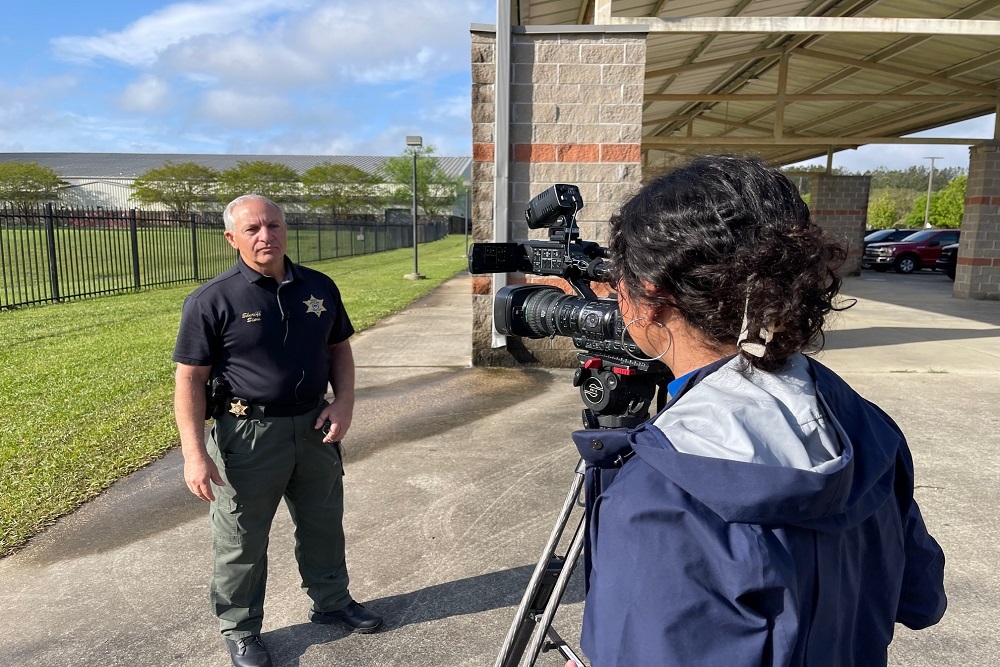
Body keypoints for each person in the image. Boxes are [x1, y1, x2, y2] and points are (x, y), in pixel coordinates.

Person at [567, 155, 946, 667]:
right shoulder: (868, 429)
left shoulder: (658, 499)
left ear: (651, 299)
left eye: (621, 282)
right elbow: (920, 600)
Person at [173, 194, 382, 667]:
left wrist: (344, 402)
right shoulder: (211, 300)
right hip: (248, 435)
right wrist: (194, 454)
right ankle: (241, 629)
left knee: (323, 523)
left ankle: (332, 602)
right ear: (232, 238)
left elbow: (339, 349)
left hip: (314, 426)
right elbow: (190, 378)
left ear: (287, 229)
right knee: (242, 539)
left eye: (273, 225)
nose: (265, 235)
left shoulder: (320, 287)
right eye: (252, 229)